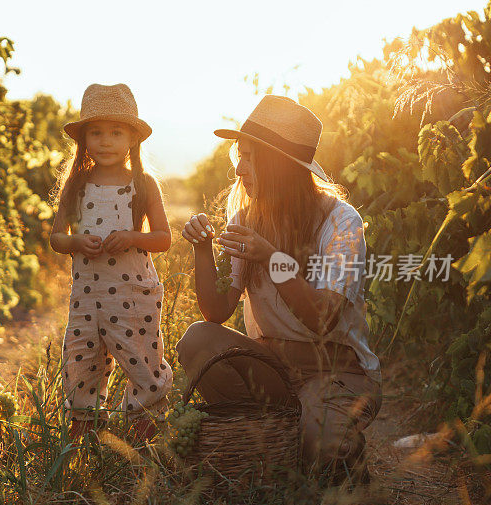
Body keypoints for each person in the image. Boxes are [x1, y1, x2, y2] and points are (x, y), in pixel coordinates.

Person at [176, 95, 382, 482]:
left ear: (282, 165)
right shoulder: (247, 217)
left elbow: (322, 319)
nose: (239, 168)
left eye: (252, 157)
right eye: (241, 154)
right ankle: (270, 440)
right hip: (272, 365)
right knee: (198, 341)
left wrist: (272, 257)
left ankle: (339, 461)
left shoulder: (340, 223)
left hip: (336, 371)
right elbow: (216, 313)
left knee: (320, 445)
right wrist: (202, 251)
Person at [50, 83, 173, 440]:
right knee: (81, 358)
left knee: (140, 357)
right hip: (86, 294)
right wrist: (75, 241)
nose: (105, 141)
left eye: (116, 132)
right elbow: (56, 237)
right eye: (96, 132)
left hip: (132, 292)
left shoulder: (144, 184)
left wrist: (132, 237)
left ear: (133, 137)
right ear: (83, 139)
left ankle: (144, 434)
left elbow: (164, 238)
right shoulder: (76, 184)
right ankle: (84, 433)